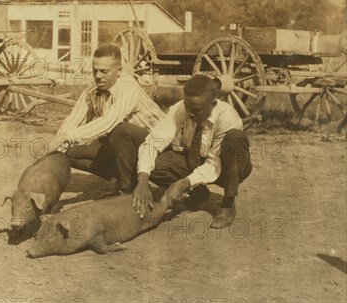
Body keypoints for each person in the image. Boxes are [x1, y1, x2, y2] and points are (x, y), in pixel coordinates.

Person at [133, 74, 252, 229]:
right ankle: (199, 193)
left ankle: (228, 203)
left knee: (235, 138)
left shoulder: (228, 117)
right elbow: (153, 141)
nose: (190, 113)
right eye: (187, 107)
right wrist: (143, 180)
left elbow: (214, 164)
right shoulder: (181, 108)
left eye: (196, 110)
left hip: (227, 166)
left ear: (213, 103)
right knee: (155, 165)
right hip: (195, 159)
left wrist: (185, 182)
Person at [42, 44, 165, 194]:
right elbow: (72, 122)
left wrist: (66, 136)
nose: (98, 76)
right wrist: (57, 144)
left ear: (119, 70)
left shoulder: (128, 88)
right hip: (126, 146)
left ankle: (127, 190)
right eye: (95, 71)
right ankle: (124, 179)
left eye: (104, 71)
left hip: (158, 146)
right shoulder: (91, 92)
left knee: (118, 129)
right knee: (69, 151)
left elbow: (110, 121)